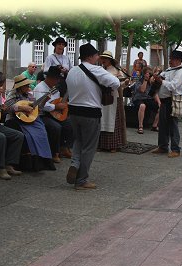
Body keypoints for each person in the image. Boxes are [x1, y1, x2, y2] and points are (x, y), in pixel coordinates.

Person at [65, 43, 120, 189]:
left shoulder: (72, 71)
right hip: (90, 113)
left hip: (74, 112)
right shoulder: (96, 70)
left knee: (78, 141)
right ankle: (81, 180)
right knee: (89, 147)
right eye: (96, 55)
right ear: (90, 56)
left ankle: (75, 164)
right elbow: (116, 83)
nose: (98, 57)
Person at [4, 74, 55, 171]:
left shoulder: (30, 95)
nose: (28, 87)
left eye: (28, 85)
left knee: (42, 132)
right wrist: (21, 107)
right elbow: (7, 107)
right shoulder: (12, 95)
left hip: (29, 120)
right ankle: (29, 164)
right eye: (26, 85)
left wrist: (44, 100)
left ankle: (43, 161)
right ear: (20, 87)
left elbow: (37, 109)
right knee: (29, 135)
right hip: (15, 120)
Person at [0, 72, 24, 180]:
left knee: (18, 135)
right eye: (0, 84)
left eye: (2, 84)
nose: (2, 87)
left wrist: (3, 111)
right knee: (1, 137)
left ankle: (9, 164)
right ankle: (0, 167)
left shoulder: (0, 97)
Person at [152, 50, 182, 158]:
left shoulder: (181, 72)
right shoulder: (168, 70)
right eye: (170, 58)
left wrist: (161, 81)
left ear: (178, 60)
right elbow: (160, 78)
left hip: (172, 101)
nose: (170, 60)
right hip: (164, 101)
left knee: (173, 125)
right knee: (162, 125)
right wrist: (155, 78)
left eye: (172, 59)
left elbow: (173, 86)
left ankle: (176, 149)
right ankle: (163, 146)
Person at [34, 65, 72, 163]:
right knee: (55, 127)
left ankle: (64, 147)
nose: (58, 81)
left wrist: (61, 106)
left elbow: (57, 100)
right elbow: (40, 105)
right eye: (56, 79)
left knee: (69, 123)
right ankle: (54, 152)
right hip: (42, 115)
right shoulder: (40, 88)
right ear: (50, 78)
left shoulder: (55, 88)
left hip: (54, 113)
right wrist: (55, 107)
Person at [98, 50, 129, 152]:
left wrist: (126, 83)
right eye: (102, 58)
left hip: (113, 98)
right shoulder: (100, 70)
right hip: (102, 98)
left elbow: (122, 84)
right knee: (103, 119)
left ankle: (113, 145)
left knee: (112, 120)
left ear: (110, 60)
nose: (103, 60)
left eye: (105, 58)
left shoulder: (117, 70)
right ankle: (102, 144)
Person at [131, 66, 160, 134]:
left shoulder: (151, 82)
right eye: (147, 73)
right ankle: (140, 126)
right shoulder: (139, 81)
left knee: (161, 107)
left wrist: (159, 102)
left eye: (150, 74)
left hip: (148, 99)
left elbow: (154, 94)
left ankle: (154, 125)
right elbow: (142, 90)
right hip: (138, 99)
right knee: (142, 106)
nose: (149, 75)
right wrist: (145, 80)